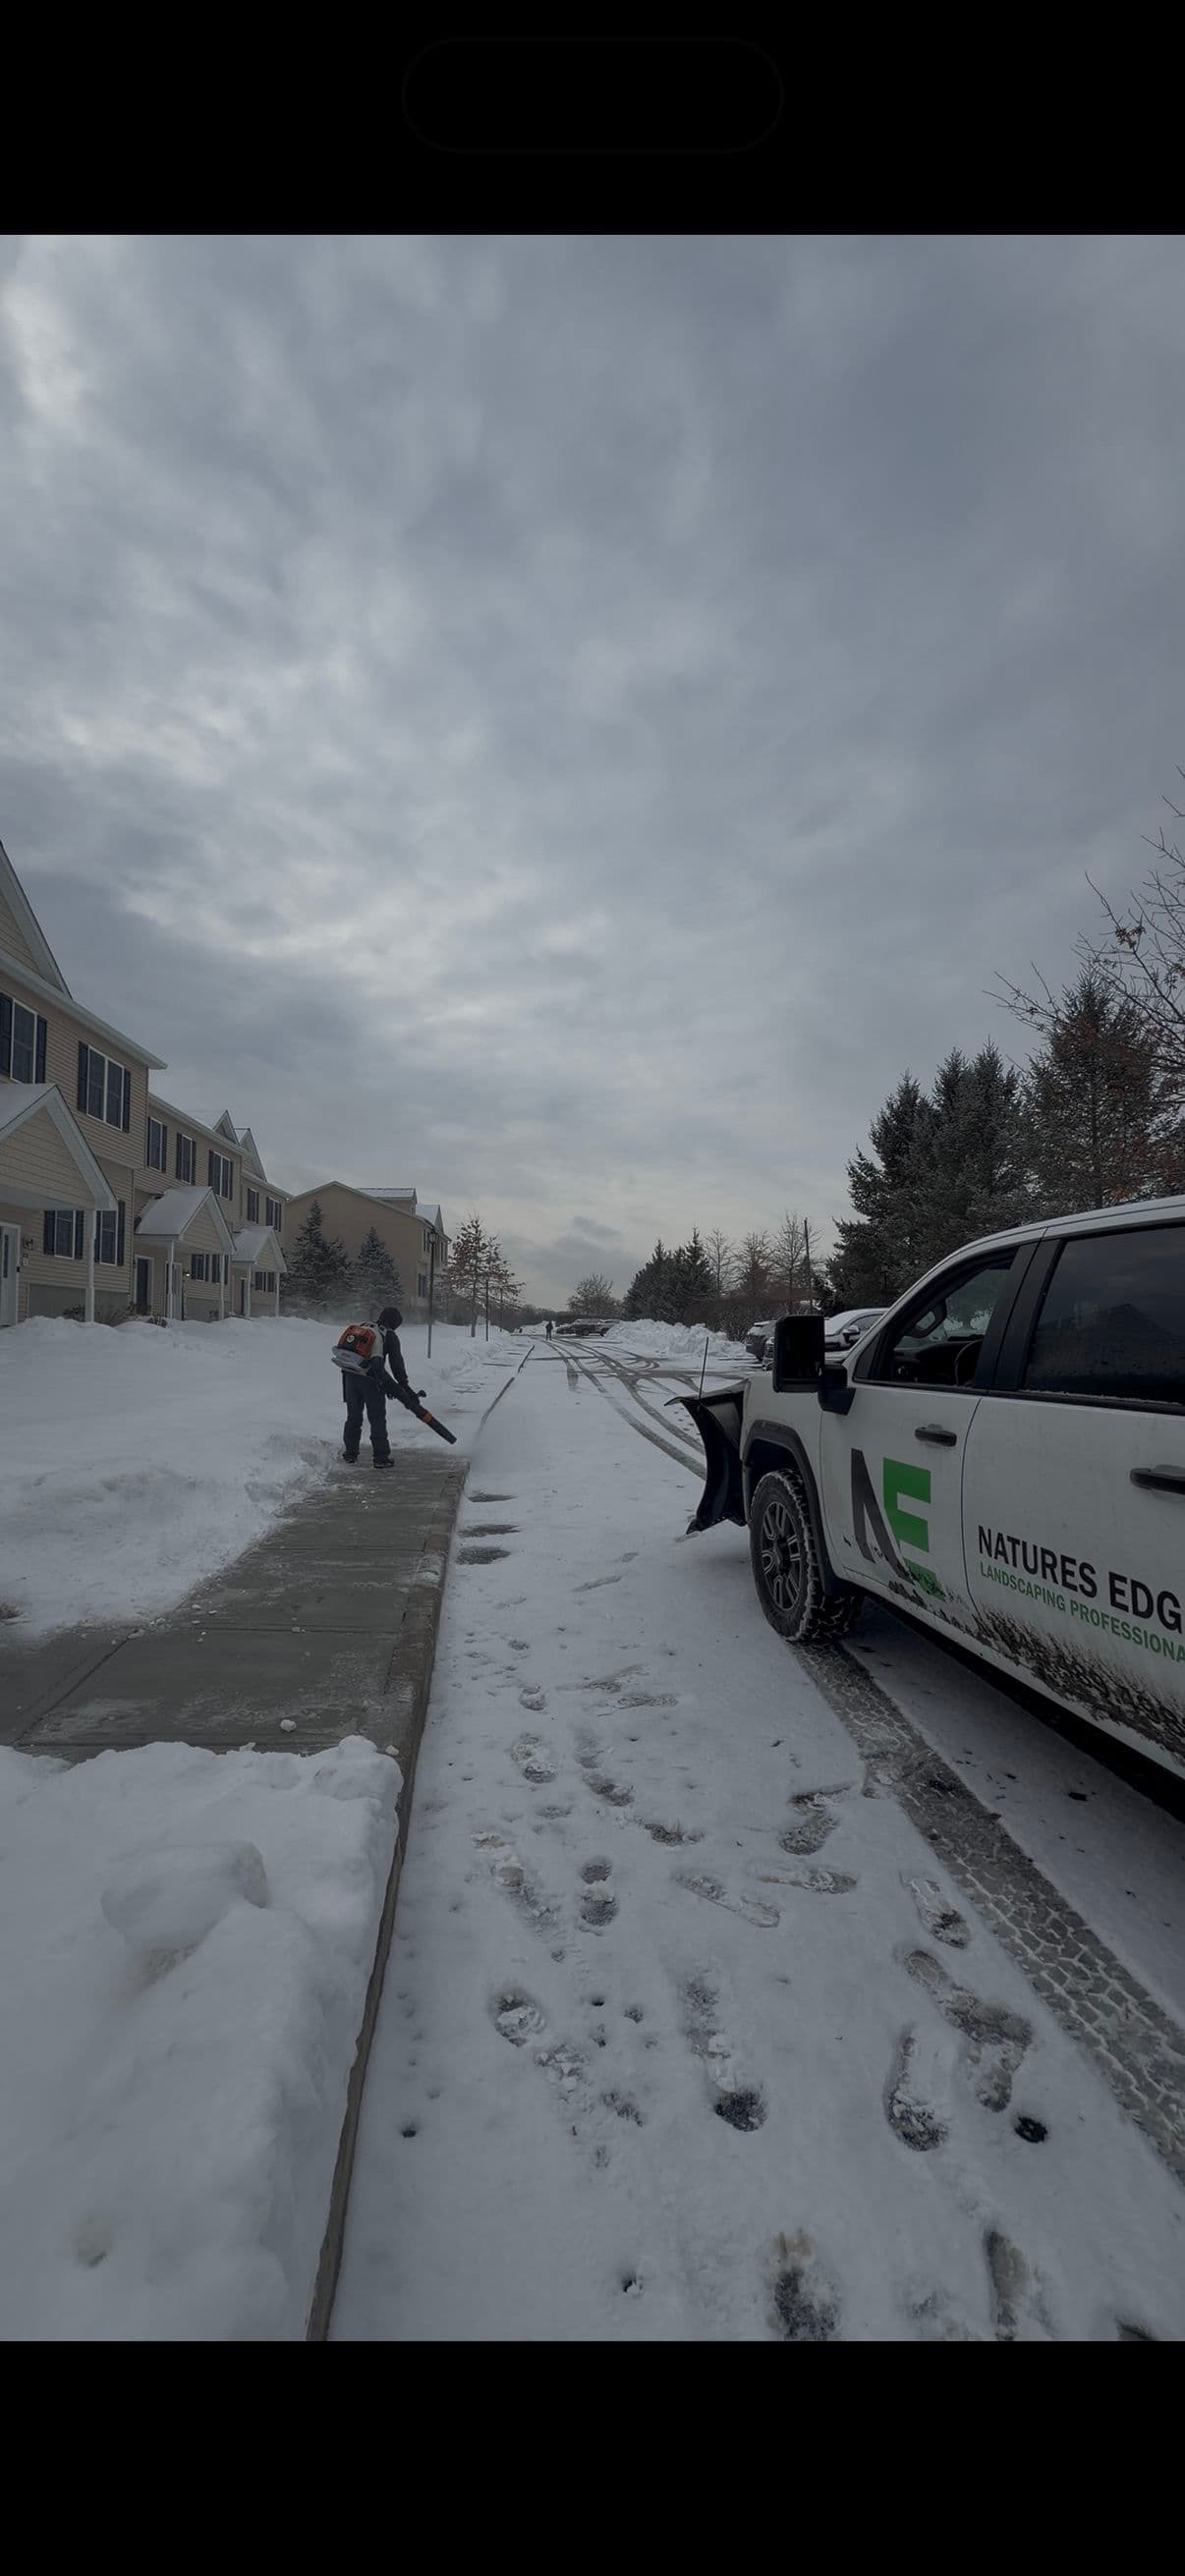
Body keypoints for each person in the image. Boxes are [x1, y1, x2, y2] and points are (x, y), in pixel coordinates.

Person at [341, 1304, 412, 1470]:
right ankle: (381, 1458)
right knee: (377, 1418)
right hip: (371, 1380)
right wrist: (403, 1387)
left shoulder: (365, 1327)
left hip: (350, 1376)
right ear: (394, 1323)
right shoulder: (389, 1336)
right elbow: (397, 1366)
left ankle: (350, 1454)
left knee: (353, 1417)